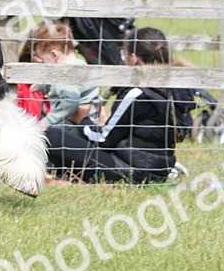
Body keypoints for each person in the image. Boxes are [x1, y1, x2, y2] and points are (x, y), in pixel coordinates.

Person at [44, 27, 194, 184]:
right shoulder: (175, 88)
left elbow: (104, 140)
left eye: (125, 54)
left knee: (50, 135)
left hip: (128, 171)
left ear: (133, 58)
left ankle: (60, 177)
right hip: (159, 169)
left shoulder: (137, 92)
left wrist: (83, 119)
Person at [16, 22, 102, 128]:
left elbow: (71, 101)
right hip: (86, 123)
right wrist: (43, 86)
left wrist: (47, 122)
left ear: (54, 55)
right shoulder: (79, 65)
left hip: (75, 127)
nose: (42, 63)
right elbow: (61, 86)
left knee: (49, 136)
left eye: (42, 60)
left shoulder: (65, 73)